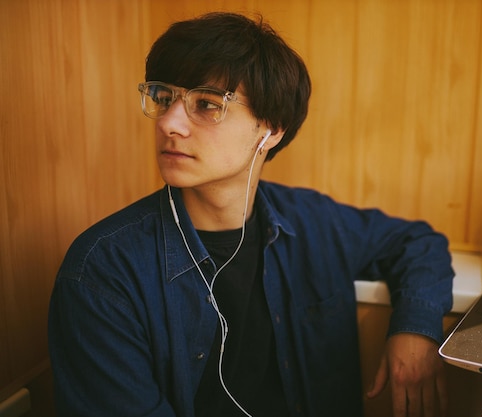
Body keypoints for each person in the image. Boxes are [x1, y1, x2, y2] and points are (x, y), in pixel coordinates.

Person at [48, 11, 454, 417]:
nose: (170, 123)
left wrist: (415, 330)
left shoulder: (312, 222)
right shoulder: (102, 272)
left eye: (205, 104)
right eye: (164, 97)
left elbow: (417, 242)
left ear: (270, 128)